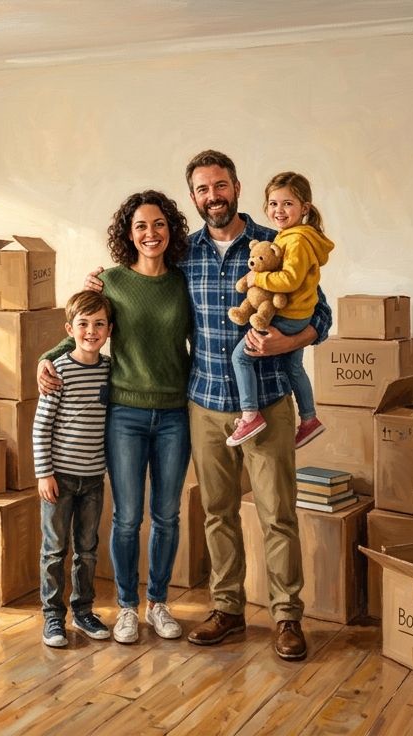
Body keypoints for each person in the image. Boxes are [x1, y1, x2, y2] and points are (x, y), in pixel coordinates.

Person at [80, 151, 332, 661]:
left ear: (236, 187)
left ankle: (286, 617)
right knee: (217, 513)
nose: (212, 197)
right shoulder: (184, 255)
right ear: (193, 198)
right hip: (204, 404)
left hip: (267, 401)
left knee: (277, 513)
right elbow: (134, 289)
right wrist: (93, 290)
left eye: (220, 186)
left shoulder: (276, 243)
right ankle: (228, 609)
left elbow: (320, 316)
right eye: (201, 190)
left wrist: (286, 345)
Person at [37, 190, 193, 645]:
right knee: (127, 518)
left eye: (159, 224)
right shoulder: (110, 282)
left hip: (174, 415)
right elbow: (84, 329)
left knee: (166, 515)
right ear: (129, 233)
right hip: (124, 413)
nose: (151, 233)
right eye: (141, 226)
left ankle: (157, 602)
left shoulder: (183, 284)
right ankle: (126, 607)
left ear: (171, 230)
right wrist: (47, 357)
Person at [225, 172, 335, 448]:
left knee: (241, 357)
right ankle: (309, 419)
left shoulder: (296, 241)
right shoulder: (288, 237)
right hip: (298, 313)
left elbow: (289, 280)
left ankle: (250, 414)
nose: (279, 210)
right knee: (293, 366)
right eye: (273, 204)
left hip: (290, 316)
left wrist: (256, 279)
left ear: (304, 208)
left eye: (287, 204)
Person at [33, 290, 115, 647]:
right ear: (70, 328)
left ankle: (83, 610)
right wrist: (43, 473)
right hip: (59, 479)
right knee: (54, 550)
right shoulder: (58, 370)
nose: (91, 331)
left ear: (109, 330)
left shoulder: (111, 371)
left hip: (94, 479)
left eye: (99, 324)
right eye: (83, 324)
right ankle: (53, 617)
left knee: (87, 548)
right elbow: (41, 425)